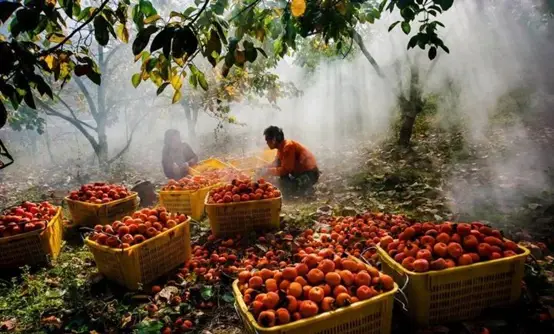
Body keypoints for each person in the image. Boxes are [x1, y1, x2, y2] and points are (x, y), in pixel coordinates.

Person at [261, 126, 320, 195]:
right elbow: (276, 163)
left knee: (287, 188)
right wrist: (264, 168)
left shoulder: (288, 147)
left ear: (274, 139)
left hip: (310, 174)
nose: (266, 143)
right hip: (299, 173)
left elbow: (285, 170)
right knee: (280, 182)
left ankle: (308, 191)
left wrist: (268, 171)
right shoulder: (281, 148)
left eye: (267, 140)